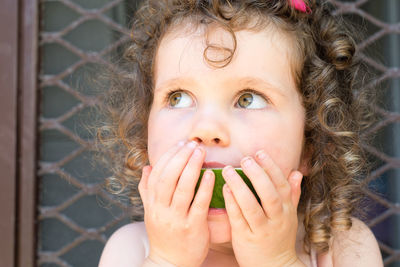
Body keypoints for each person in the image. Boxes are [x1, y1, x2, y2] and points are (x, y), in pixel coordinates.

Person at [97, 0, 383, 266]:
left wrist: (278, 260)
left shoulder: (341, 246)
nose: (206, 129)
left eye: (248, 99)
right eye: (178, 98)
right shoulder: (133, 249)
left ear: (312, 141)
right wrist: (167, 260)